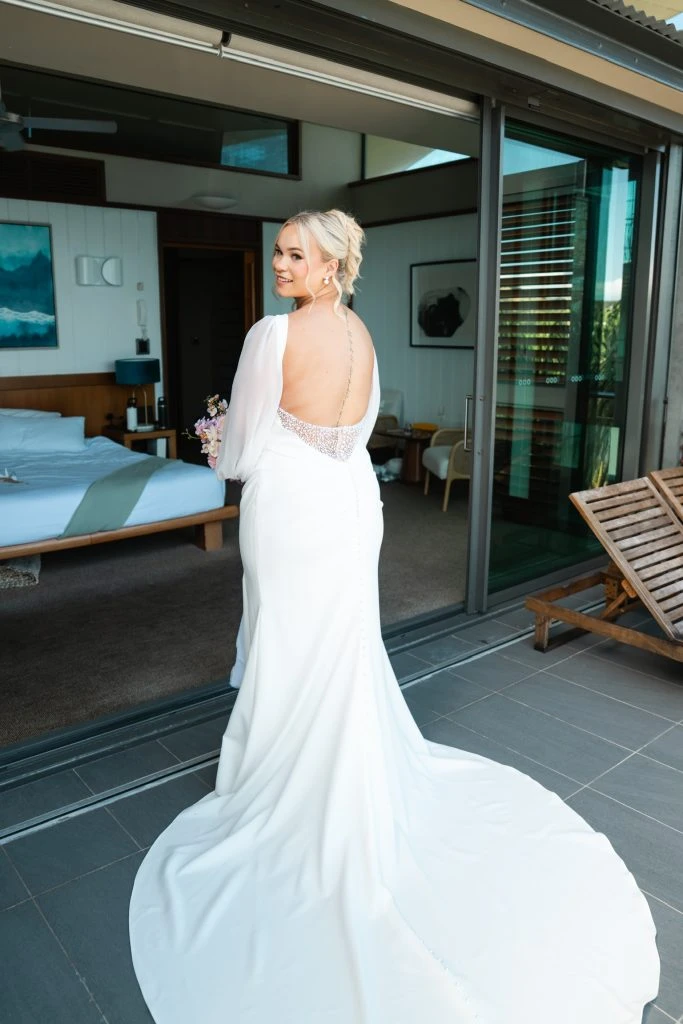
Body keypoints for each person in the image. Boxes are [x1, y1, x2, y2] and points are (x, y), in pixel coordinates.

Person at [129, 209, 659, 1023]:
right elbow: (355, 432)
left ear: (332, 264)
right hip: (348, 504)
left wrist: (214, 444)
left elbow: (238, 453)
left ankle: (283, 786)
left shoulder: (273, 336)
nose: (279, 264)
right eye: (278, 251)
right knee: (335, 643)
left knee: (287, 641)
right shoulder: (364, 336)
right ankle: (336, 769)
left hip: (295, 507)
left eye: (295, 254)